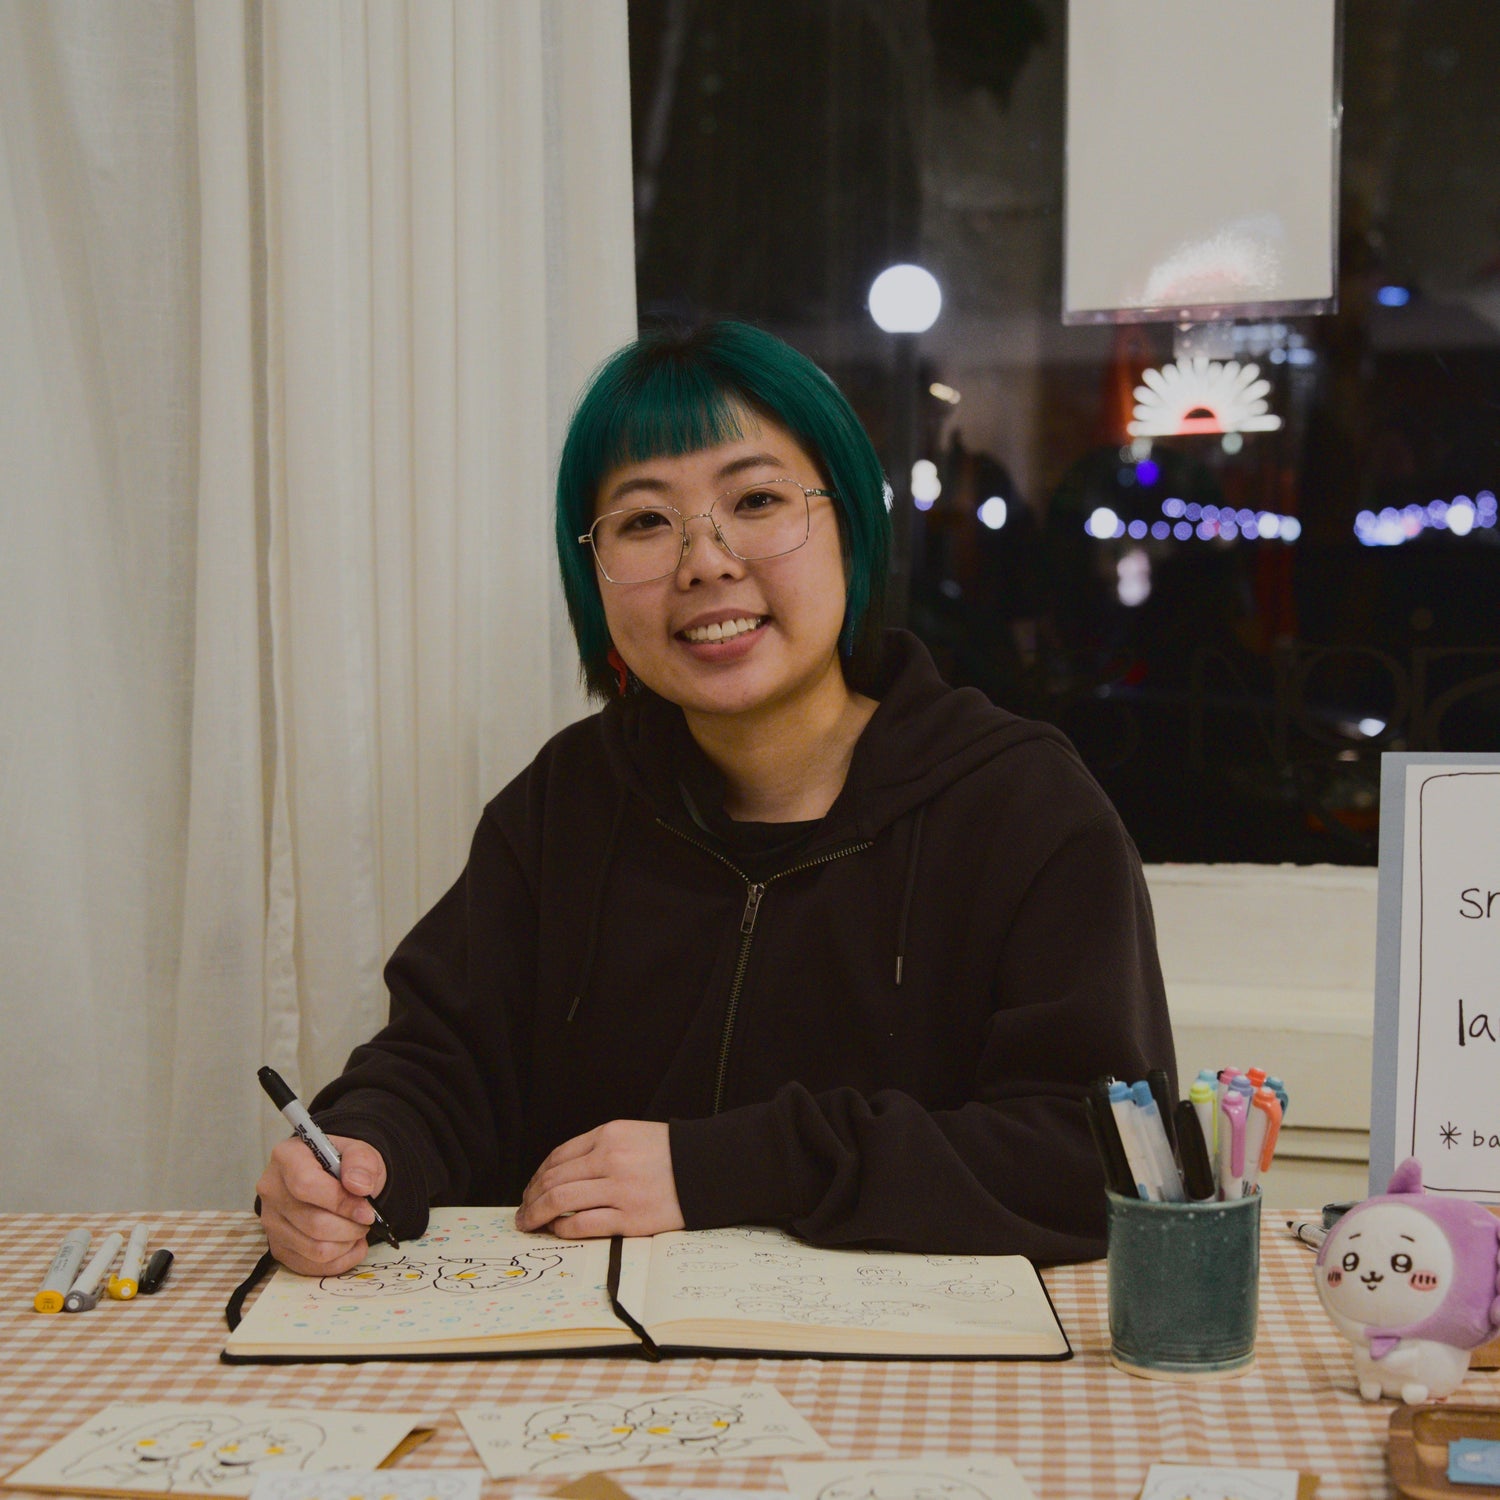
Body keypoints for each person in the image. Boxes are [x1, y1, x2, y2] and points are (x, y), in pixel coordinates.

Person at [255, 321, 1175, 1276]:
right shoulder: (566, 804)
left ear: (851, 528)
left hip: (904, 1393)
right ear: (595, 579)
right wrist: (356, 1159)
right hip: (592, 1391)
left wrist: (726, 1168)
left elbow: (1104, 1163)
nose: (704, 561)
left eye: (758, 499)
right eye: (646, 521)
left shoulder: (1022, 807)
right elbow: (439, 1068)